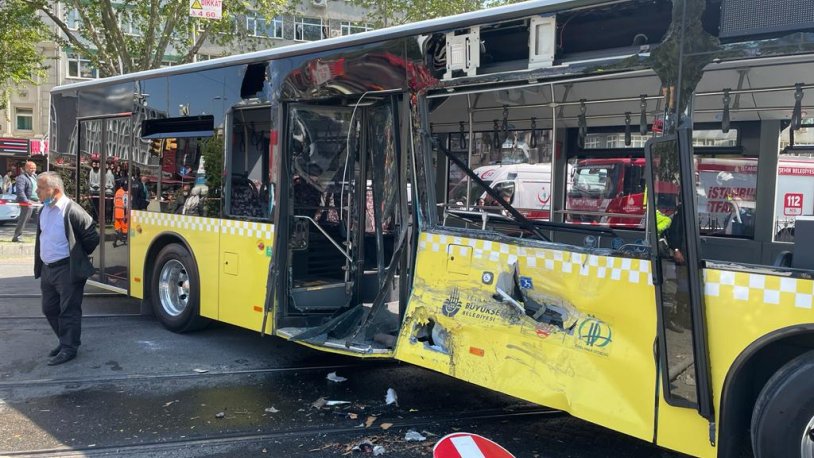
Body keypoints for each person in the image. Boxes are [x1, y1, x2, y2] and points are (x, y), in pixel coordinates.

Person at [34, 172, 99, 366]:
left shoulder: (72, 210)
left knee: (68, 310)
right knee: (49, 308)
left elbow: (92, 237)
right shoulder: (43, 210)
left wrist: (77, 256)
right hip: (48, 269)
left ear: (54, 190)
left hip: (67, 269)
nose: (37, 192)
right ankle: (65, 341)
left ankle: (69, 348)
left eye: (40, 188)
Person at [12, 161, 39, 242]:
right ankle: (16, 237)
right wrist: (26, 201)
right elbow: (20, 191)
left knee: (41, 220)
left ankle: (40, 238)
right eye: (31, 168)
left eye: (34, 168)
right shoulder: (22, 178)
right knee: (24, 219)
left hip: (37, 201)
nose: (33, 169)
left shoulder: (35, 177)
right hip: (27, 201)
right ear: (26, 168)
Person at [113, 181, 128, 247]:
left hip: (117, 213)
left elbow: (114, 202)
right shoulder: (124, 193)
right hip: (122, 213)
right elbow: (125, 205)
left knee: (117, 228)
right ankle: (124, 240)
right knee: (125, 228)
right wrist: (126, 214)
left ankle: (116, 240)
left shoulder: (117, 192)